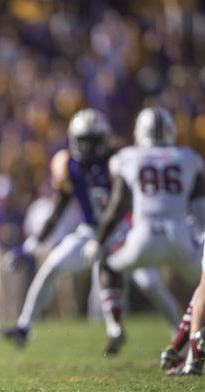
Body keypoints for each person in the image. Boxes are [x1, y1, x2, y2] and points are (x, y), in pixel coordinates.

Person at [1, 109, 181, 354]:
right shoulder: (70, 166)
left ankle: (180, 335)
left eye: (93, 141)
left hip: (125, 229)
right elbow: (58, 210)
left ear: (104, 139)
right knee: (52, 265)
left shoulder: (120, 159)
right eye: (83, 141)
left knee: (149, 283)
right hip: (89, 234)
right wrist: (32, 245)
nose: (87, 147)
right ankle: (25, 326)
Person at [81, 107, 205, 369]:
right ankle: (191, 348)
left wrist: (98, 239)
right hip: (181, 240)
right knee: (203, 287)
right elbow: (199, 209)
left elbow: (117, 205)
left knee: (107, 260)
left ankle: (115, 322)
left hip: (142, 240)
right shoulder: (187, 158)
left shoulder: (128, 158)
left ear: (139, 132)